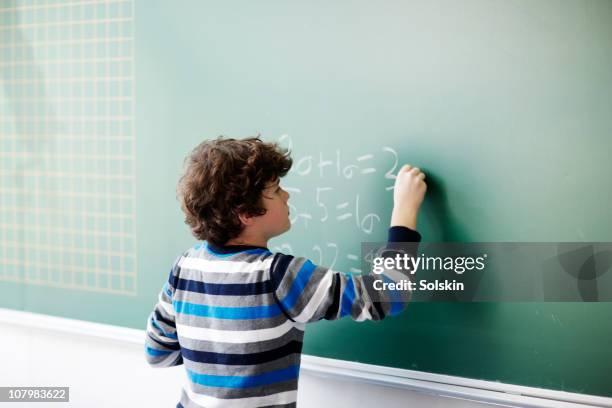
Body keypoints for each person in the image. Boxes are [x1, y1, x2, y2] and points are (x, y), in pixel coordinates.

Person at [145, 136, 427, 408]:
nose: (286, 194)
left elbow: (157, 353)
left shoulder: (184, 268)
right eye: (276, 190)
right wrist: (405, 209)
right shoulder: (278, 276)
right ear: (247, 213)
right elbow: (390, 294)